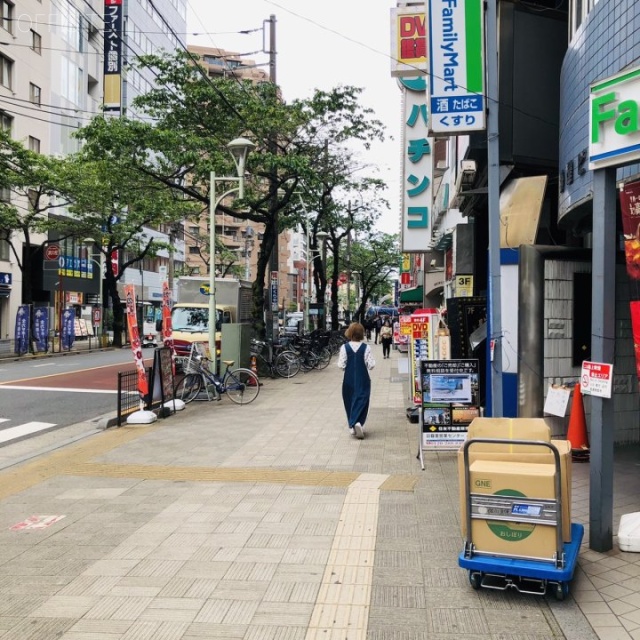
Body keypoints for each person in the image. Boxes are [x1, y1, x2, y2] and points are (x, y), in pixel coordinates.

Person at [338, 322, 375, 439]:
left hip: (348, 379)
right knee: (363, 400)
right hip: (363, 378)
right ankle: (358, 423)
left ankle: (352, 425)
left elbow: (341, 365)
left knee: (349, 401)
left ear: (350, 333)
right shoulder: (366, 347)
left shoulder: (344, 347)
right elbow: (371, 365)